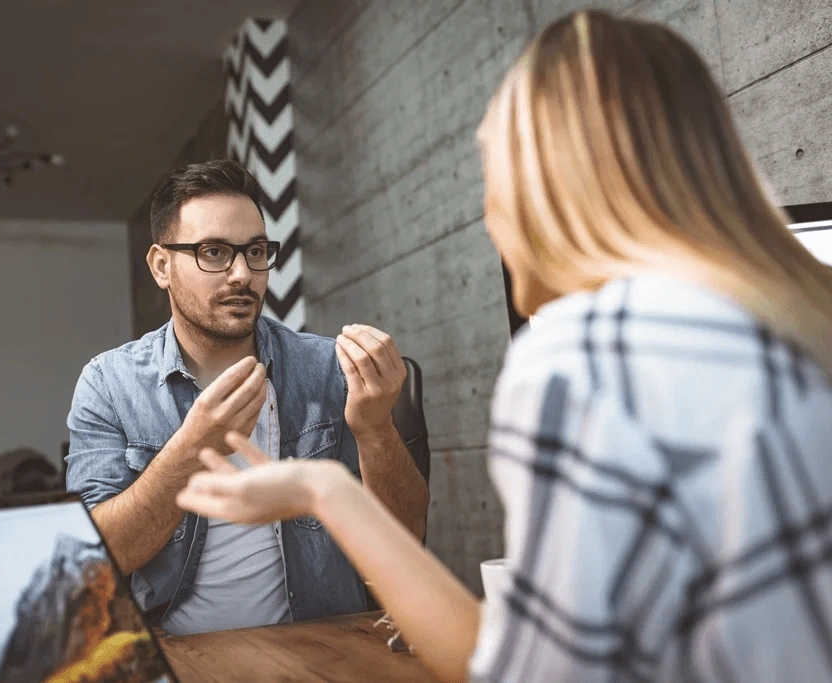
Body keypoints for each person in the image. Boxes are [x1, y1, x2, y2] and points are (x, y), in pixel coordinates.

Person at [176, 10, 832, 682]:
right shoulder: (801, 319)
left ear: (547, 185)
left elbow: (517, 669)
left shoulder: (583, 354)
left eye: (493, 171)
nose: (490, 213)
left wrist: (323, 488)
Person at [65, 160, 429, 635]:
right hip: (178, 657)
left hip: (321, 647)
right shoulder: (108, 384)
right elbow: (96, 561)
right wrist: (194, 447)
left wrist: (376, 429)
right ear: (161, 266)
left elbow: (406, 542)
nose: (243, 274)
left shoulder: (329, 370)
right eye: (214, 252)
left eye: (255, 251)